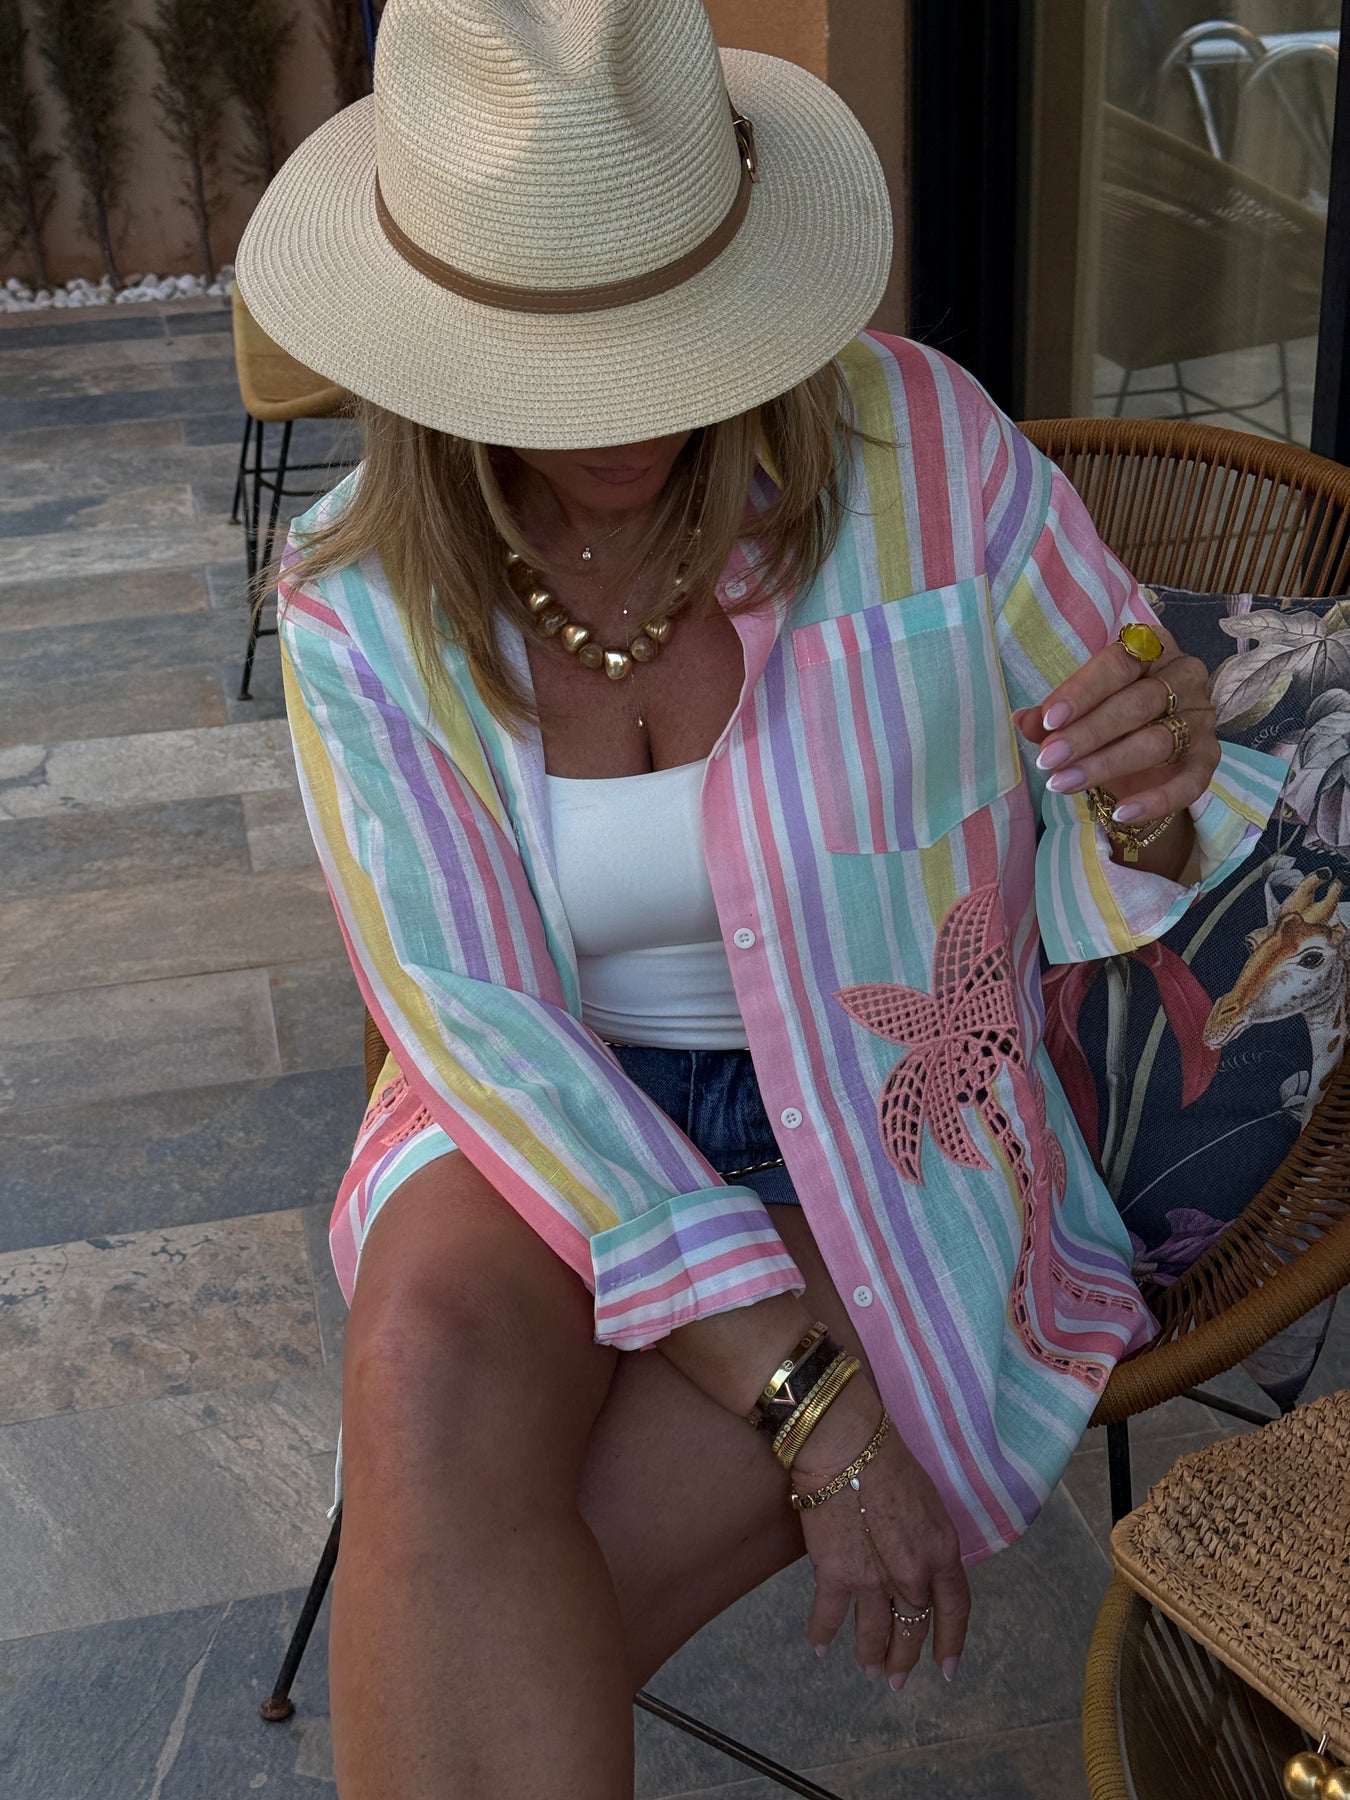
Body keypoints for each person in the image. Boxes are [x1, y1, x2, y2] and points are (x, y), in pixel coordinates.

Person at [235, 1, 1286, 1794]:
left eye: (659, 337)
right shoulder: (358, 593)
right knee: (419, 1364)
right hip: (542, 1102)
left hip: (894, 1123)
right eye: (545, 362)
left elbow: (1131, 826)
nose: (619, 417)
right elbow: (471, 1017)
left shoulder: (925, 453)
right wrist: (814, 1406)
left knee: (501, 1624)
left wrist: (1158, 782)